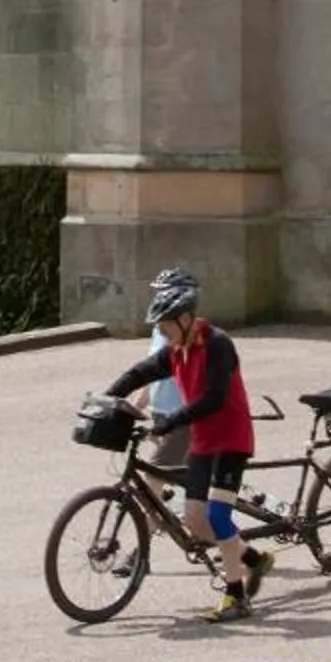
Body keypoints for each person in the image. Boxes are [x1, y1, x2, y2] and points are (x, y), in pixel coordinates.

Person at [104, 266, 270, 622]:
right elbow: (140, 372)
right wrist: (108, 396)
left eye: (165, 326)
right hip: (204, 441)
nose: (162, 333)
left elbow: (213, 397)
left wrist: (172, 419)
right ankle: (253, 560)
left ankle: (236, 596)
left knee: (218, 515)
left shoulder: (218, 344)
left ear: (185, 319)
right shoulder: (175, 350)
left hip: (231, 439)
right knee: (195, 520)